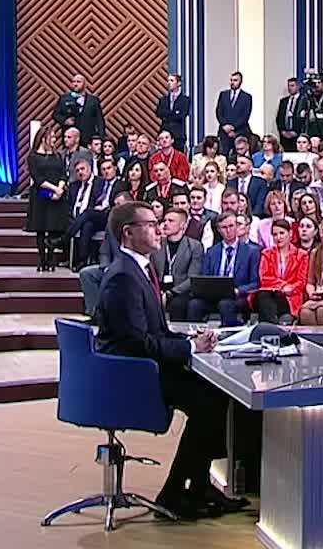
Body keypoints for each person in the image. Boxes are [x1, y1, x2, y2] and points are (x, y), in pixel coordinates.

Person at [94, 201, 244, 519]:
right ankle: (175, 495)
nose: (158, 230)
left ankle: (196, 487)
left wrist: (191, 341)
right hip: (131, 374)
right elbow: (137, 343)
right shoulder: (123, 276)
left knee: (216, 393)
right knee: (208, 402)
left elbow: (157, 331)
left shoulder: (141, 267)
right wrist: (189, 350)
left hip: (145, 364)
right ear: (128, 233)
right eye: (150, 224)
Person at [197, 212, 260, 325]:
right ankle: (195, 333)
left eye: (231, 226)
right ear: (219, 230)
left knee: (225, 304)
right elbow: (205, 277)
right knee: (195, 304)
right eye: (224, 227)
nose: (228, 230)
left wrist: (238, 290)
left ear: (236, 226)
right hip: (215, 294)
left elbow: (255, 283)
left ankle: (229, 332)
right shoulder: (211, 252)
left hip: (238, 295)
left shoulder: (252, 252)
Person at [26, 126, 69, 272]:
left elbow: (63, 174)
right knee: (41, 228)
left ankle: (51, 259)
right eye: (52, 137)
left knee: (53, 228)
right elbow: (38, 178)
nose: (54, 140)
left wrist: (60, 189)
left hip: (57, 195)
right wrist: (54, 189)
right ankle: (42, 259)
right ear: (43, 138)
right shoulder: (33, 157)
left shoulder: (58, 156)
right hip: (41, 194)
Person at [150, 208, 205, 322]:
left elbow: (192, 278)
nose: (166, 224)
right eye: (165, 220)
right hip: (158, 289)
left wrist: (170, 293)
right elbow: (151, 271)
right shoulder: (157, 244)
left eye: (171, 221)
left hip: (181, 291)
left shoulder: (194, 246)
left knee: (178, 304)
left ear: (182, 225)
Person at [252, 219, 309, 323]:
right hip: (270, 294)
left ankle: (270, 325)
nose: (278, 237)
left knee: (268, 300)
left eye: (282, 233)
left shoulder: (301, 255)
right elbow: (264, 278)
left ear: (290, 233)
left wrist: (290, 288)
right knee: (263, 295)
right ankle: (272, 324)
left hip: (290, 296)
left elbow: (301, 281)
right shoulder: (266, 253)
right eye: (275, 234)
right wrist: (283, 286)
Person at [51, 73, 105, 145]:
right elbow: (55, 114)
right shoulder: (64, 98)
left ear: (85, 84)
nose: (75, 84)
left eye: (78, 82)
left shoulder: (93, 100)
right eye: (74, 82)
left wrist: (101, 137)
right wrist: (65, 121)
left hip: (88, 138)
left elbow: (99, 120)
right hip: (69, 138)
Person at [215, 71, 254, 156]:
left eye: (235, 80)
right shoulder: (223, 94)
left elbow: (245, 115)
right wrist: (225, 126)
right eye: (231, 80)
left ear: (241, 81)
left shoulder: (247, 97)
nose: (232, 82)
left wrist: (233, 127)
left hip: (240, 131)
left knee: (240, 155)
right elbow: (219, 112)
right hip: (224, 132)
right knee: (223, 155)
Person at [155, 73, 191, 150]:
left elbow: (182, 115)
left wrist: (167, 115)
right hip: (164, 132)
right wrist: (174, 113)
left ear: (179, 83)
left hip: (178, 136)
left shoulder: (185, 100)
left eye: (172, 81)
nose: (169, 83)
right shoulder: (163, 100)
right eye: (168, 81)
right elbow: (159, 113)